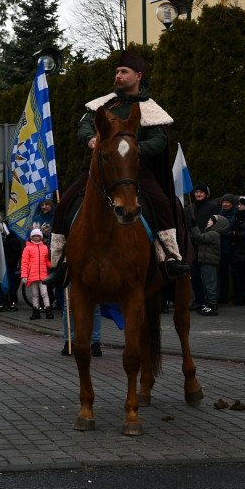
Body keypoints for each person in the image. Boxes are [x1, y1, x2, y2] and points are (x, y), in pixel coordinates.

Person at [42, 50, 191, 288]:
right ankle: (60, 263)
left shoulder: (151, 109)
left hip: (136, 171)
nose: (118, 76)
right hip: (99, 169)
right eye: (117, 72)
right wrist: (91, 139)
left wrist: (134, 149)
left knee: (163, 204)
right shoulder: (103, 104)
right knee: (63, 206)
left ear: (138, 76)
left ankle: (169, 258)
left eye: (124, 72)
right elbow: (84, 127)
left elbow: (159, 140)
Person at [187, 182, 221, 310]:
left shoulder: (213, 207)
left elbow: (216, 223)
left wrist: (202, 234)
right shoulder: (190, 208)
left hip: (206, 246)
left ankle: (209, 301)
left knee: (208, 275)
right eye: (196, 192)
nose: (198, 194)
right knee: (194, 275)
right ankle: (199, 299)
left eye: (201, 192)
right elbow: (186, 225)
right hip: (193, 246)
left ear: (206, 194)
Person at [192, 214, 230, 316]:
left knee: (210, 284)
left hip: (209, 262)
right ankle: (208, 304)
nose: (208, 221)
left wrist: (194, 227)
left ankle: (213, 306)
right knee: (206, 284)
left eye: (211, 220)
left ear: (218, 224)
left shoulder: (214, 234)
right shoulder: (210, 232)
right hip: (205, 262)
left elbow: (199, 237)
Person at [229, 196, 245, 305]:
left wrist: (237, 235)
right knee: (237, 276)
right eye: (239, 204)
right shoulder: (237, 215)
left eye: (241, 204)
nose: (239, 206)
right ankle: (238, 297)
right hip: (236, 250)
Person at [21, 228, 52, 320]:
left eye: (38, 236)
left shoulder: (45, 248)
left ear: (41, 237)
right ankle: (36, 311)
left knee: (44, 293)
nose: (36, 238)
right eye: (34, 236)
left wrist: (52, 265)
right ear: (31, 237)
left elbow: (46, 261)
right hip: (32, 275)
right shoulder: (27, 248)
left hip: (43, 274)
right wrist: (24, 275)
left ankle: (48, 311)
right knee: (35, 294)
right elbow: (24, 263)